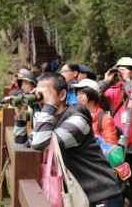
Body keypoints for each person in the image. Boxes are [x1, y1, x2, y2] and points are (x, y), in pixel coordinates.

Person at [14, 73, 123, 206]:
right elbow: (23, 151)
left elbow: (39, 144)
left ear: (62, 95)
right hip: (77, 196)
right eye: (39, 92)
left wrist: (48, 105)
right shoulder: (48, 121)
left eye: (46, 92)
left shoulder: (77, 121)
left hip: (101, 195)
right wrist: (20, 119)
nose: (41, 97)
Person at [98, 57, 132, 207]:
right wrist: (106, 81)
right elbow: (92, 100)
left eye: (125, 68)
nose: (121, 71)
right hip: (115, 145)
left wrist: (129, 82)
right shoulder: (113, 91)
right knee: (116, 185)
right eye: (119, 68)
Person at [72, 78, 118, 144]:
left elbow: (110, 144)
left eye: (82, 93)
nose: (78, 97)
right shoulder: (74, 114)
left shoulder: (105, 118)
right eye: (77, 94)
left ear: (92, 94)